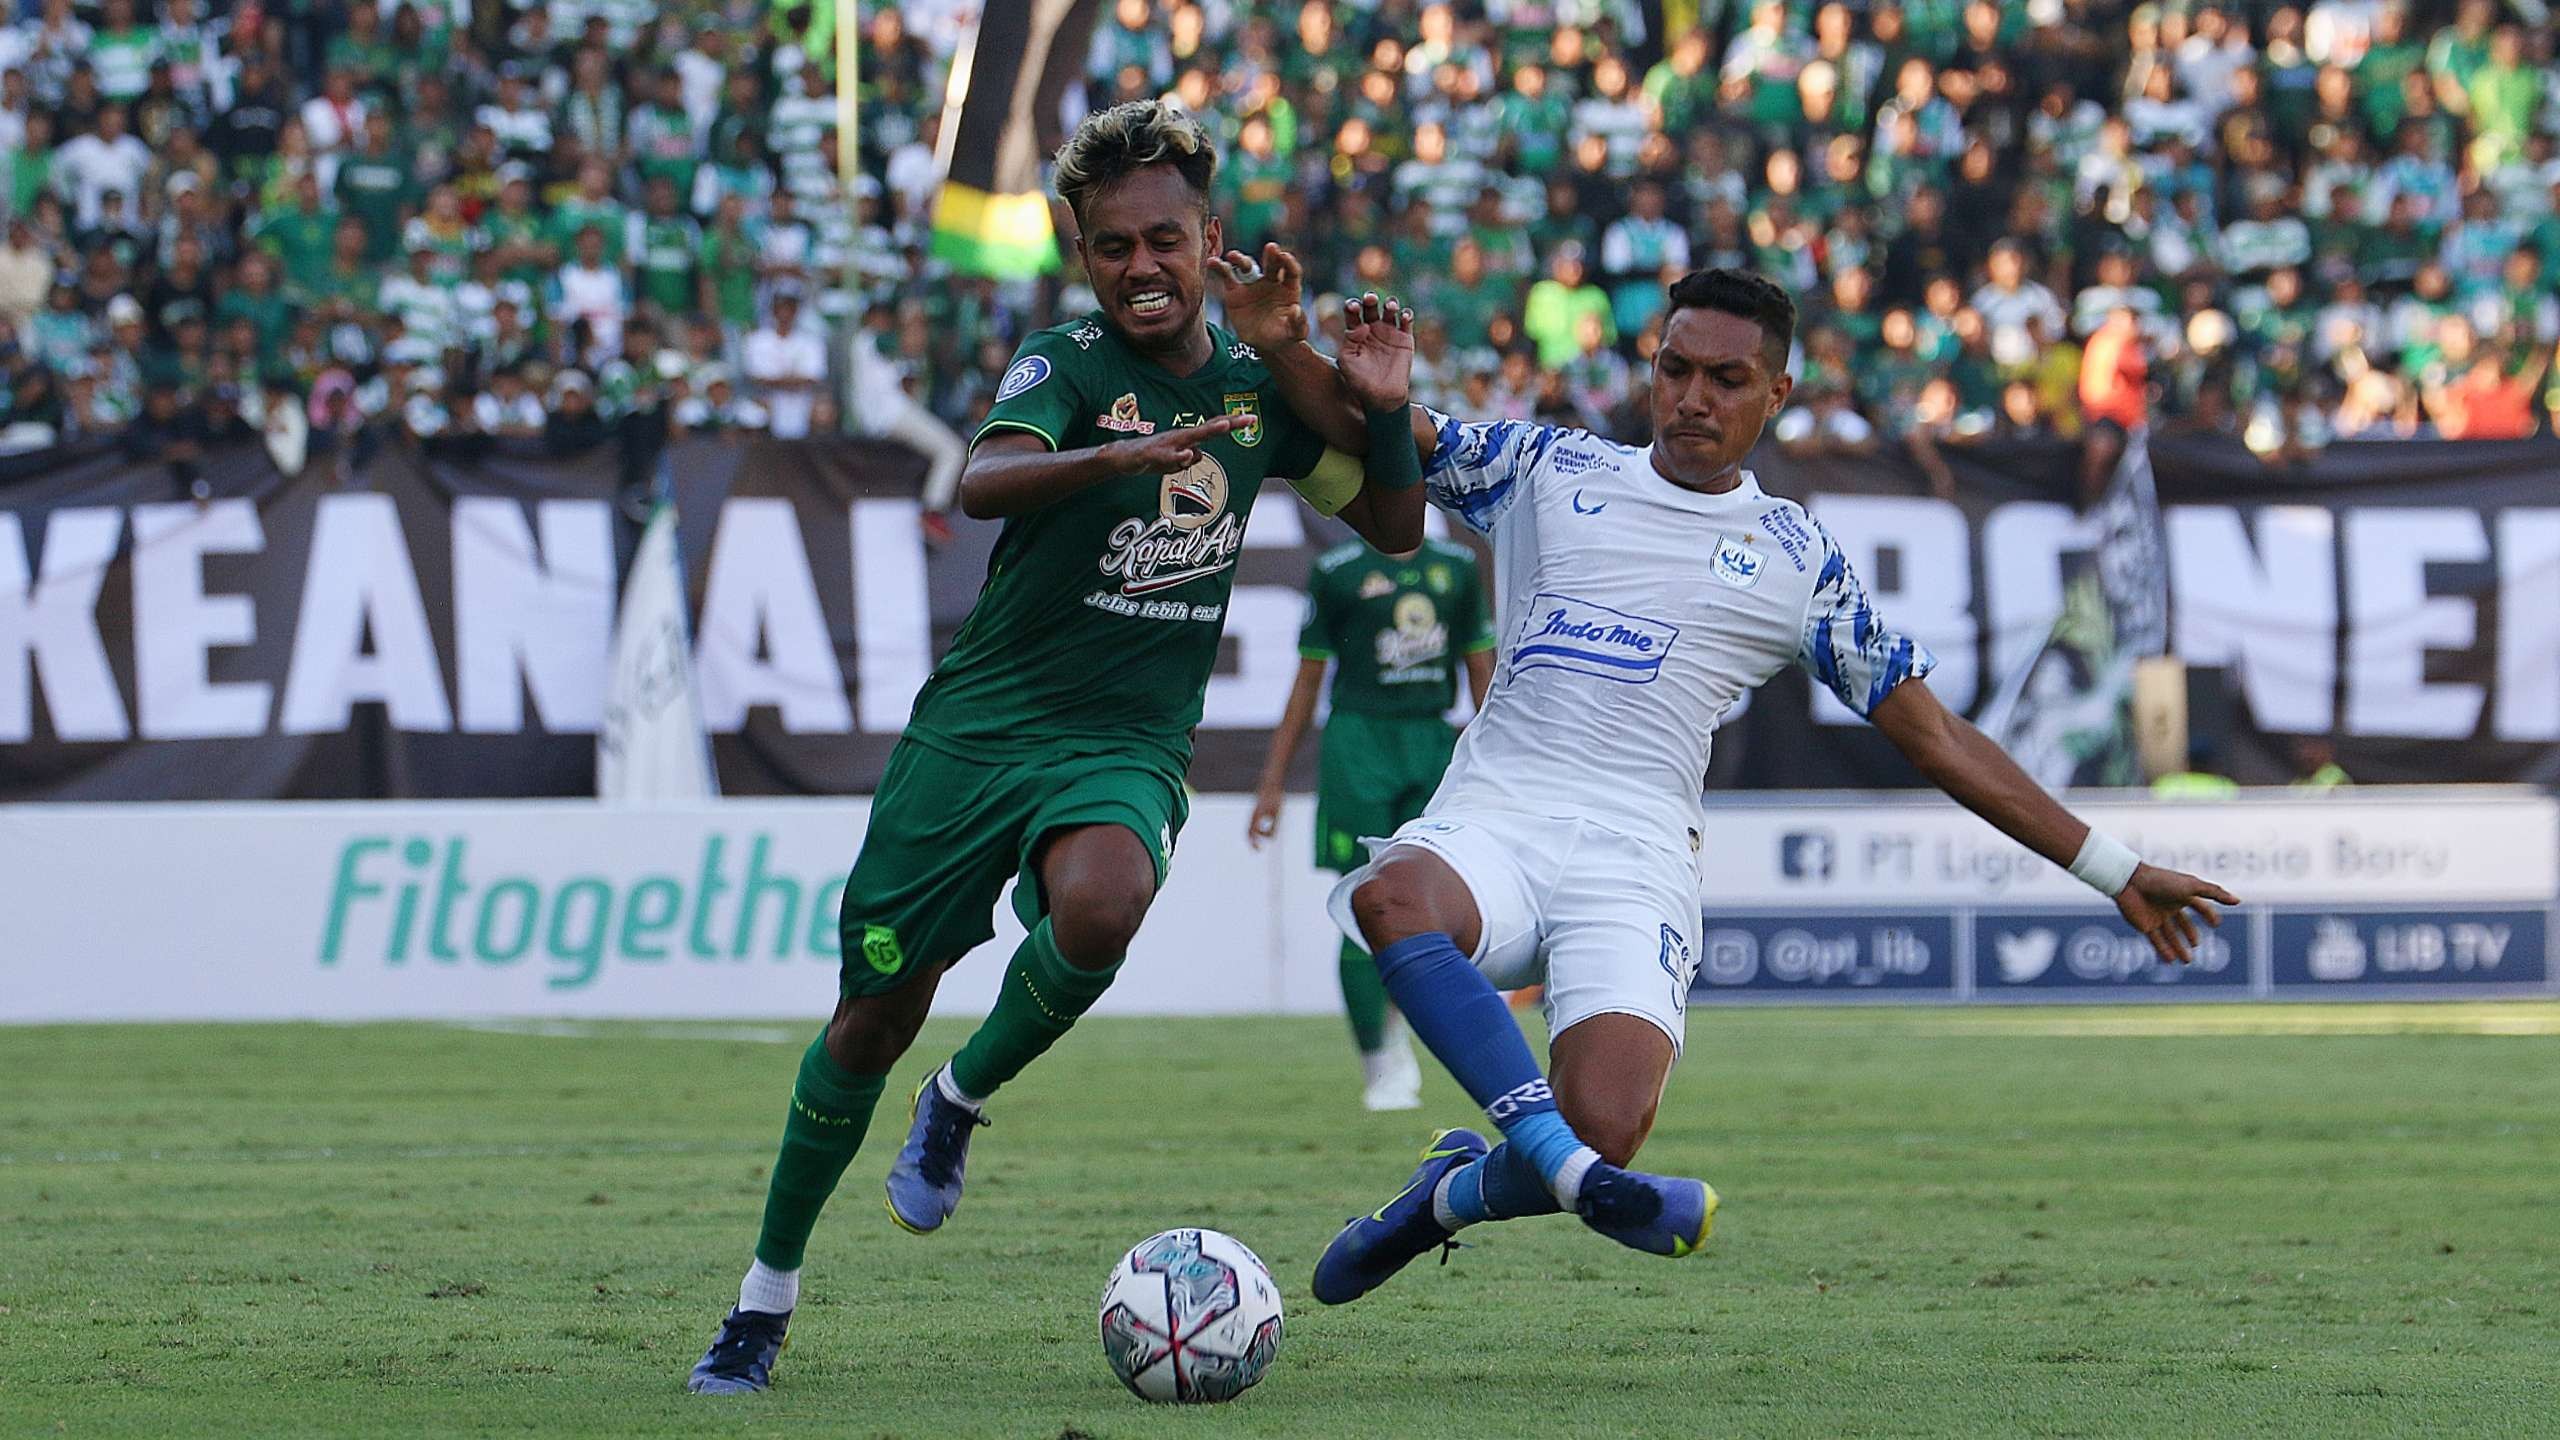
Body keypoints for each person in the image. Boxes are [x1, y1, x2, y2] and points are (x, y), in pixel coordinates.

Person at [1307, 268, 2240, 1306]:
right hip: (1496, 825)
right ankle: (1563, 1168)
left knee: (1606, 1130)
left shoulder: (1795, 559)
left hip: (1636, 862)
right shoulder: (1546, 467)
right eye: (1674, 369)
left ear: (1777, 393)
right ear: (1650, 369)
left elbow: (1932, 735)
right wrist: (1280, 346)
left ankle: (1450, 1195)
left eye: (1725, 378)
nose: (1692, 398)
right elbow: (1364, 418)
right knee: (1393, 895)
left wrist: (2111, 868)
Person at [685, 99, 1427, 1395]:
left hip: (1125, 737)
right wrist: (1110, 456)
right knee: (867, 1022)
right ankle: (764, 1299)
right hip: (979, 730)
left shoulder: (1258, 395)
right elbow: (984, 481)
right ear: (1082, 254)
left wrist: (1380, 404)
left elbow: (1397, 524)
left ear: (1211, 240)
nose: (1139, 268)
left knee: (1105, 900)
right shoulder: (1067, 363)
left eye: (1163, 242)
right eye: (1110, 248)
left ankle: (959, 1102)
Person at [1247, 533, 1496, 1110]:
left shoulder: (1455, 570)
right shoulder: (1338, 572)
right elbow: (1308, 681)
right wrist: (1272, 782)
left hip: (1433, 745)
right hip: (1358, 746)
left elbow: (1482, 672)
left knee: (1436, 910)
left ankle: (1418, 1039)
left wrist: (1500, 764)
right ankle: (1379, 1063)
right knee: (1363, 908)